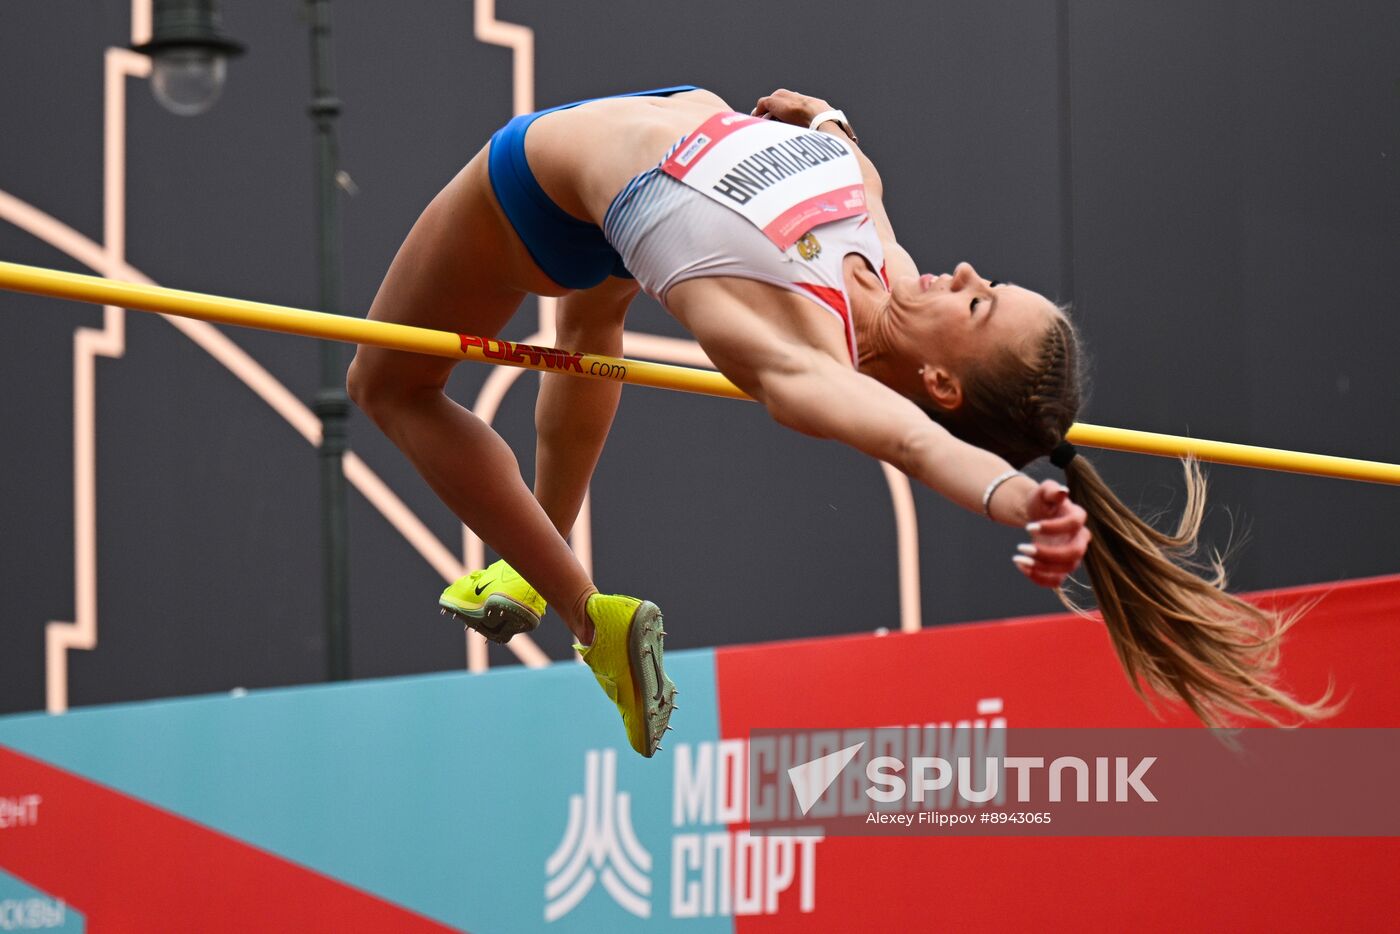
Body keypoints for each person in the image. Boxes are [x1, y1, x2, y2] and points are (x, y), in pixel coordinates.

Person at [348, 86, 1327, 757]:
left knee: (387, 388)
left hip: (543, 183)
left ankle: (584, 614)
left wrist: (1010, 496)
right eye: (993, 282)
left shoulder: (793, 352)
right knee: (594, 315)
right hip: (623, 190)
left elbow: (903, 440)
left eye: (979, 304)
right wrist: (820, 115)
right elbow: (860, 169)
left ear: (941, 381)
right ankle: (534, 556)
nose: (969, 274)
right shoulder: (893, 268)